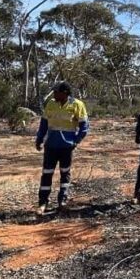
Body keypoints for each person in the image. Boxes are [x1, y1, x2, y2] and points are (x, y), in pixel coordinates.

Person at [34, 81, 88, 215]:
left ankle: (62, 201)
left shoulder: (77, 105)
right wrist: (39, 139)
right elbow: (44, 124)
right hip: (51, 146)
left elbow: (84, 127)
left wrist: (76, 141)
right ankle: (43, 203)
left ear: (65, 93)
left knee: (65, 174)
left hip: (66, 147)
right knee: (47, 174)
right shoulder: (51, 103)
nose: (54, 94)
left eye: (56, 91)